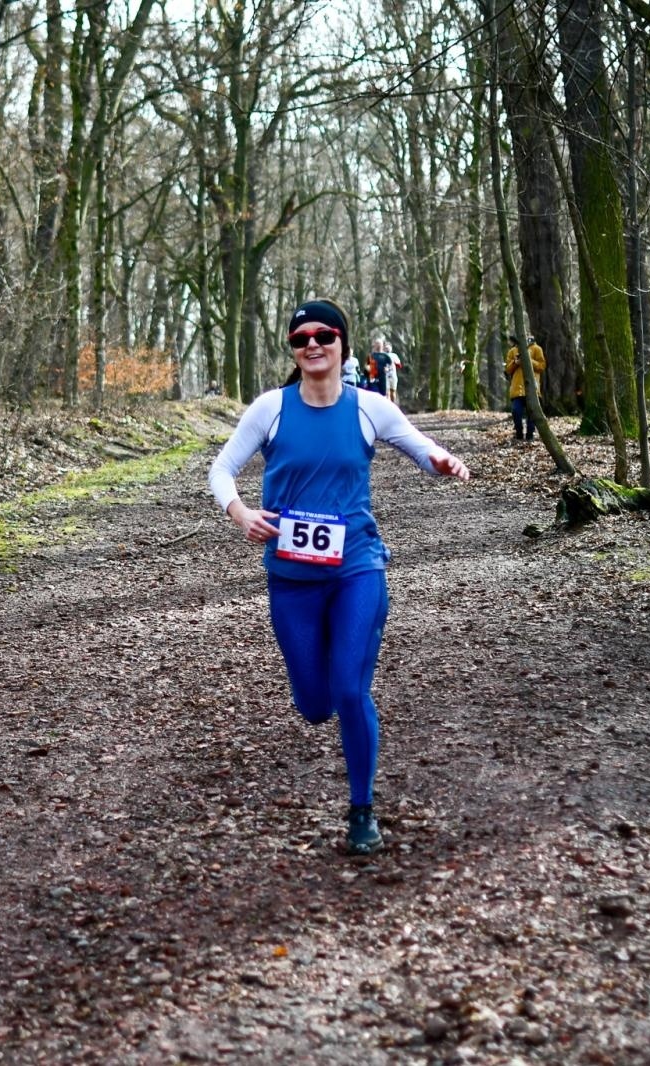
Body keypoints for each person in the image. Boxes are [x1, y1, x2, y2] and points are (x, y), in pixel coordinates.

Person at [208, 298, 470, 855]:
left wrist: (443, 462)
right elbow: (222, 469)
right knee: (313, 705)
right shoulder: (271, 409)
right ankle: (325, 695)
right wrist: (241, 513)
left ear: (342, 345)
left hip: (357, 568)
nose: (312, 345)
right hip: (291, 578)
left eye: (324, 335)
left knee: (351, 688)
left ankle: (362, 809)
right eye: (300, 338)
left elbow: (423, 450)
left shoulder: (369, 408)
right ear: (293, 350)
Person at [504, 334, 546, 441]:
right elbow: (508, 369)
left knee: (532, 413)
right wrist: (516, 362)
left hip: (532, 388)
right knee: (516, 411)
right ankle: (519, 433)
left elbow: (541, 366)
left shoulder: (537, 349)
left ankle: (530, 434)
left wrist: (529, 360)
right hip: (517, 389)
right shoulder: (513, 351)